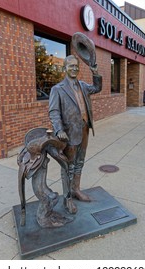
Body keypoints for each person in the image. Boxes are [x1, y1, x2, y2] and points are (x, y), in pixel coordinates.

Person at [49, 55, 102, 214]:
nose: (74, 68)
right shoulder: (58, 89)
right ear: (64, 68)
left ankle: (76, 190)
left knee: (80, 163)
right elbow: (54, 112)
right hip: (69, 134)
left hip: (84, 129)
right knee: (68, 167)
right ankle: (67, 198)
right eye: (70, 66)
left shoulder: (84, 86)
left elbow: (97, 88)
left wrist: (95, 72)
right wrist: (59, 130)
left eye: (76, 66)